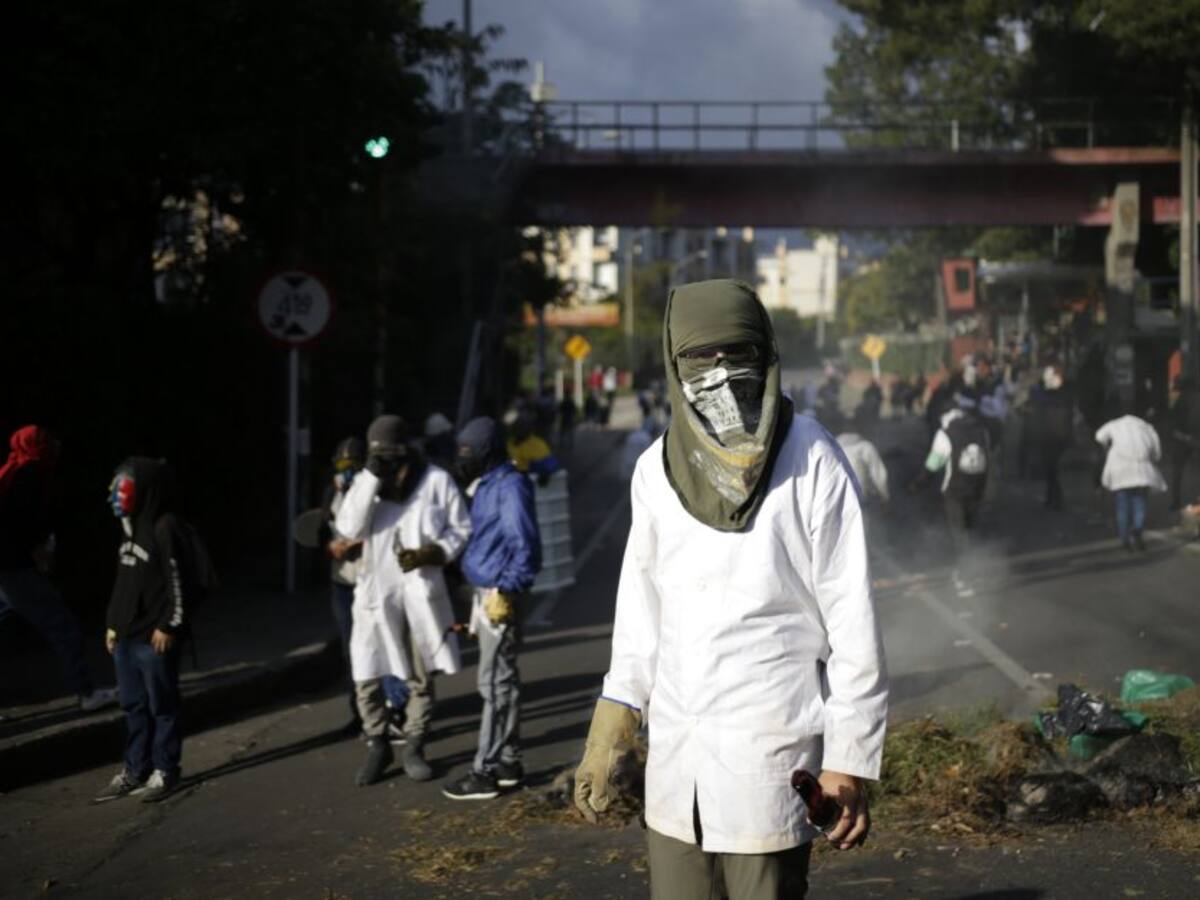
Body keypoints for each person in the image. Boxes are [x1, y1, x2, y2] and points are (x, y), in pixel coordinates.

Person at [573, 280, 888, 899]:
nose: (718, 374)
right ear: (673, 363)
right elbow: (641, 613)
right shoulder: (656, 469)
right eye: (699, 359)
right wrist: (614, 717)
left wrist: (848, 762)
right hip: (675, 764)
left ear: (765, 351)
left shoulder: (814, 459)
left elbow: (854, 626)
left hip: (768, 760)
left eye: (735, 353)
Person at [335, 415, 471, 786]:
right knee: (366, 672)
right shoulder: (368, 484)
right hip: (375, 594)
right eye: (379, 454)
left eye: (391, 454)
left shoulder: (435, 482)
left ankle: (414, 743)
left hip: (418, 592)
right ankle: (378, 742)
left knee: (419, 673)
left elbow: (461, 528)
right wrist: (370, 478)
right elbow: (347, 527)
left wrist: (435, 553)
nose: (388, 460)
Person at [441, 417, 542, 801]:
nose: (462, 457)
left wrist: (506, 591)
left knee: (494, 685)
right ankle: (508, 763)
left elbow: (526, 547)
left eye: (469, 451)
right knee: (503, 682)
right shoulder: (486, 486)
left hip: (498, 596)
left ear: (487, 451)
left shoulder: (510, 487)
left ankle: (485, 770)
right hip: (486, 593)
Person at [94, 458, 193, 803]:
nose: (114, 498)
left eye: (121, 490)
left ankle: (165, 769)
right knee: (133, 705)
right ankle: (136, 769)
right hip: (126, 637)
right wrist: (112, 625)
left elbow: (180, 583)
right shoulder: (129, 527)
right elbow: (124, 582)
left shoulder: (166, 527)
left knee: (162, 705)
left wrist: (170, 625)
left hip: (154, 638)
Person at [0, 425, 117, 712]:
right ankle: (86, 692)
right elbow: (25, 524)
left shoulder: (9, 472)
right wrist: (42, 548)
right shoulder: (30, 474)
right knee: (63, 627)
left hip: (5, 571)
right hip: (13, 569)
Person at [321, 437, 407, 739]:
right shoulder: (332, 493)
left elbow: (390, 532)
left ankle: (397, 709)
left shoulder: (379, 495)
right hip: (343, 584)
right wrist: (331, 544)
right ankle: (361, 713)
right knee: (353, 652)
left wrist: (358, 542)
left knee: (386, 646)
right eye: (341, 466)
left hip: (372, 582)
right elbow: (320, 529)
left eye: (352, 466)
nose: (346, 473)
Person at [918, 394, 990, 595]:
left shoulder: (946, 433)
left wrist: (917, 485)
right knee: (971, 531)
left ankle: (967, 580)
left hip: (955, 491)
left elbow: (933, 465)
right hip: (977, 488)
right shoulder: (981, 429)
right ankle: (969, 571)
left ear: (944, 415)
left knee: (960, 536)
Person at [1095, 404, 1167, 552]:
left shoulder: (1114, 425)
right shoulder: (1147, 427)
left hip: (1120, 470)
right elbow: (1157, 453)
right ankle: (1138, 528)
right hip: (1142, 471)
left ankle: (1124, 538)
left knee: (1122, 505)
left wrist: (1107, 448)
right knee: (1139, 503)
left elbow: (1099, 436)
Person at [1026, 366, 1074, 509]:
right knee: (1051, 469)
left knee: (1051, 469)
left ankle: (1054, 498)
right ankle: (1053, 497)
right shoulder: (1054, 395)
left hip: (1052, 437)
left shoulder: (1050, 396)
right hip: (1051, 437)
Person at [835, 415, 890, 509]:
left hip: (835, 498)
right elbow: (878, 474)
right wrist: (884, 496)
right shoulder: (865, 446)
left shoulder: (830, 446)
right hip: (859, 497)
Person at [1168, 376, 1200, 511]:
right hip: (1196, 440)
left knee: (1177, 473)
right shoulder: (1196, 399)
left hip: (1181, 440)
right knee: (1197, 471)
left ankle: (1176, 502)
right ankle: (1197, 500)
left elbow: (1172, 421)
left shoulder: (1180, 400)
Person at [506, 414, 560, 482]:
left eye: (523, 426)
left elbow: (549, 465)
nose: (519, 429)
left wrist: (543, 474)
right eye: (517, 426)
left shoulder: (537, 444)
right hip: (511, 476)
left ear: (529, 428)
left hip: (530, 478)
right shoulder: (509, 442)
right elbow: (512, 461)